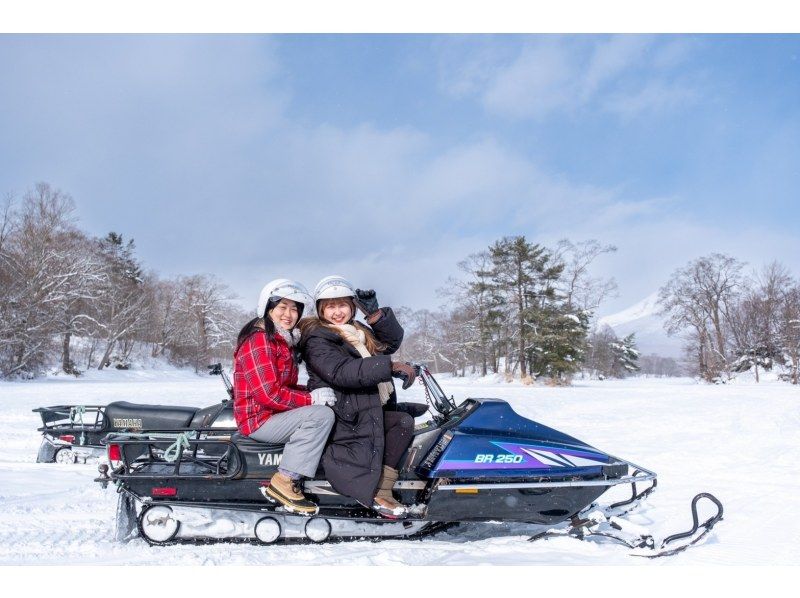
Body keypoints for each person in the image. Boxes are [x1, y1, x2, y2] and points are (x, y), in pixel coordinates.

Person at [298, 275, 417, 519]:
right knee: (399, 423)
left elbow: (390, 343)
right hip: (344, 412)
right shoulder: (317, 337)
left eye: (342, 305)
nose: (337, 312)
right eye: (330, 306)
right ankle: (376, 492)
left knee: (405, 420)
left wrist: (375, 315)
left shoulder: (358, 331)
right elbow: (342, 371)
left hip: (362, 405)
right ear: (321, 309)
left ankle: (387, 484)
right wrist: (389, 368)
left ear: (352, 306)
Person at [233, 278, 335, 516]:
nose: (289, 314)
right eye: (283, 307)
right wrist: (312, 400)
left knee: (322, 409)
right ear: (268, 308)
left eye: (295, 308)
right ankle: (284, 481)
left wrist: (312, 391)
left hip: (272, 414)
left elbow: (283, 386)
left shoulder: (280, 340)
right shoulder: (259, 340)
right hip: (259, 419)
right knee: (320, 416)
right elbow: (269, 394)